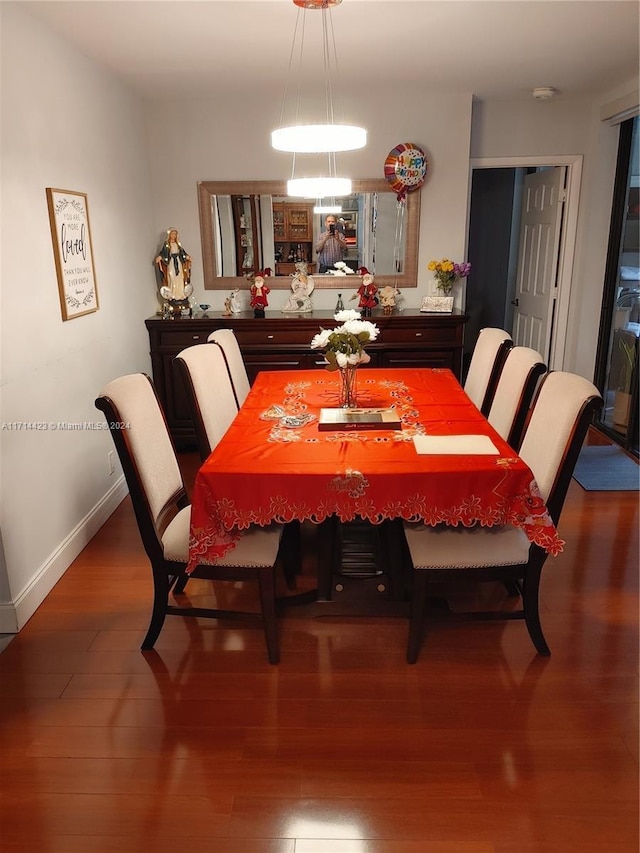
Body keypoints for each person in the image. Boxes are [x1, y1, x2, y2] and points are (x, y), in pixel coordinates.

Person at [154, 228, 192, 302]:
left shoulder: (178, 244)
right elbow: (164, 253)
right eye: (172, 233)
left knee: (180, 277)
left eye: (175, 234)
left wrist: (188, 257)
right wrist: (160, 257)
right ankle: (173, 294)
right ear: (169, 234)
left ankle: (180, 294)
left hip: (178, 262)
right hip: (171, 262)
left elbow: (182, 253)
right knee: (171, 277)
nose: (173, 235)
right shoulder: (167, 244)